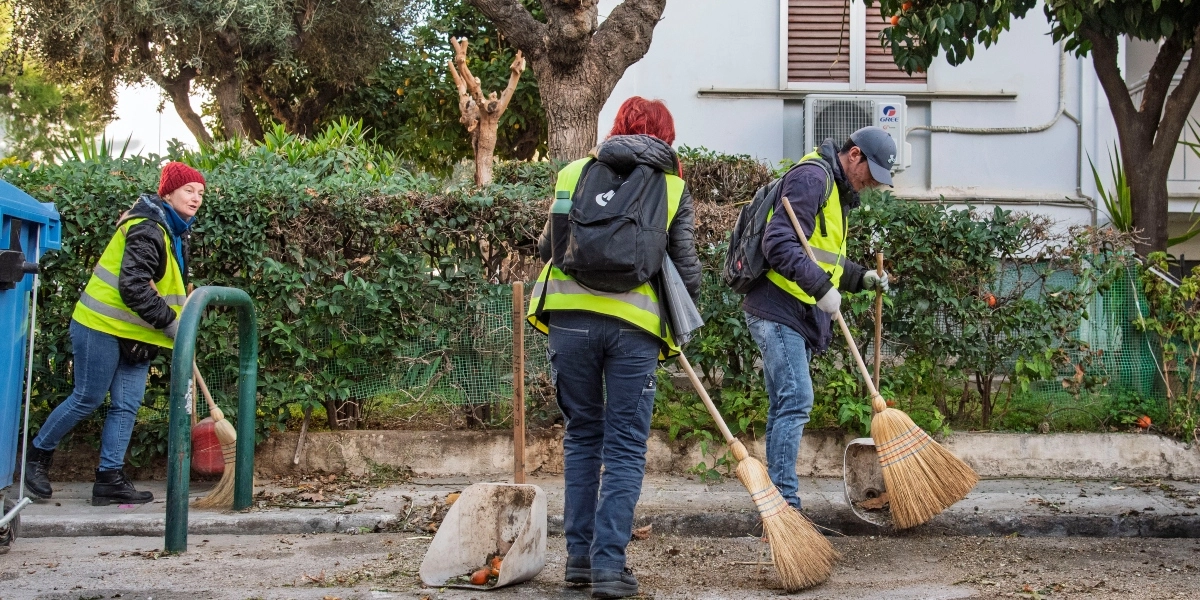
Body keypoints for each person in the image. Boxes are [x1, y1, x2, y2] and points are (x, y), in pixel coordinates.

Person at [527, 97, 701, 599]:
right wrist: (689, 319)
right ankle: (609, 567)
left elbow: (547, 249)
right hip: (634, 328)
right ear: (666, 137)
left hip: (569, 320)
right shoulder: (672, 187)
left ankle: (577, 563)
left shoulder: (572, 173)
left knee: (583, 437)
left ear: (618, 127)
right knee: (625, 446)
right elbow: (685, 268)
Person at [23, 162, 205, 506]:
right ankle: (36, 459)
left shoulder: (174, 231)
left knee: (126, 406)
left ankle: (109, 480)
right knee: (87, 398)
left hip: (137, 333)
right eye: (188, 191)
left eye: (200, 193)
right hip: (100, 325)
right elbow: (134, 286)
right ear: (167, 193)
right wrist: (170, 322)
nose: (195, 198)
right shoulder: (149, 227)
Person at [742, 126, 895, 512]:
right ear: (855, 154)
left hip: (793, 310)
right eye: (872, 174)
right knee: (796, 399)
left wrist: (861, 277)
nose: (872, 185)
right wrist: (821, 289)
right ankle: (786, 506)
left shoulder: (835, 190)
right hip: (779, 308)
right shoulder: (813, 177)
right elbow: (778, 243)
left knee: (784, 404)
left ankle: (779, 506)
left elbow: (822, 258)